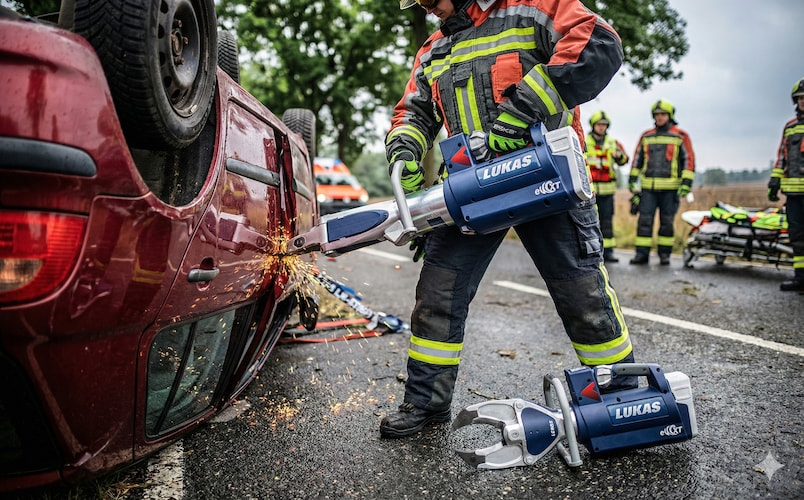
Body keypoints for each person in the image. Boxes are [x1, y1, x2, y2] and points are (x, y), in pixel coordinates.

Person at [380, 0, 635, 438]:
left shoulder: (536, 7)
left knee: (582, 292)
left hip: (547, 174)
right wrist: (403, 149)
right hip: (468, 186)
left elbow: (599, 42)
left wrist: (521, 111)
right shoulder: (432, 49)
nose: (425, 5)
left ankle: (624, 399)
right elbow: (413, 111)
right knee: (438, 292)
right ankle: (426, 402)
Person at [627, 99, 695, 266]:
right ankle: (641, 255)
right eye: (657, 115)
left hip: (670, 189)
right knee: (644, 221)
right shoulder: (646, 136)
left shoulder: (680, 136)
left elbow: (688, 159)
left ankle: (665, 255)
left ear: (670, 116)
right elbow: (638, 159)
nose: (659, 117)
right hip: (648, 189)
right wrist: (632, 179)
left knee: (666, 223)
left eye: (663, 114)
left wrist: (686, 182)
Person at [768, 78, 804, 291]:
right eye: (800, 99)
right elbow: (782, 156)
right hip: (793, 194)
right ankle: (800, 277)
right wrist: (774, 181)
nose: (803, 102)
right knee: (797, 237)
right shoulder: (790, 127)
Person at [585, 111, 629, 262]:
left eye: (604, 125)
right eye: (599, 125)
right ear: (593, 126)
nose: (602, 128)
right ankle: (592, 252)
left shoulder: (613, 142)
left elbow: (625, 160)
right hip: (590, 191)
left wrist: (619, 157)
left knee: (607, 222)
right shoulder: (585, 141)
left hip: (608, 191)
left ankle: (608, 252)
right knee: (590, 222)